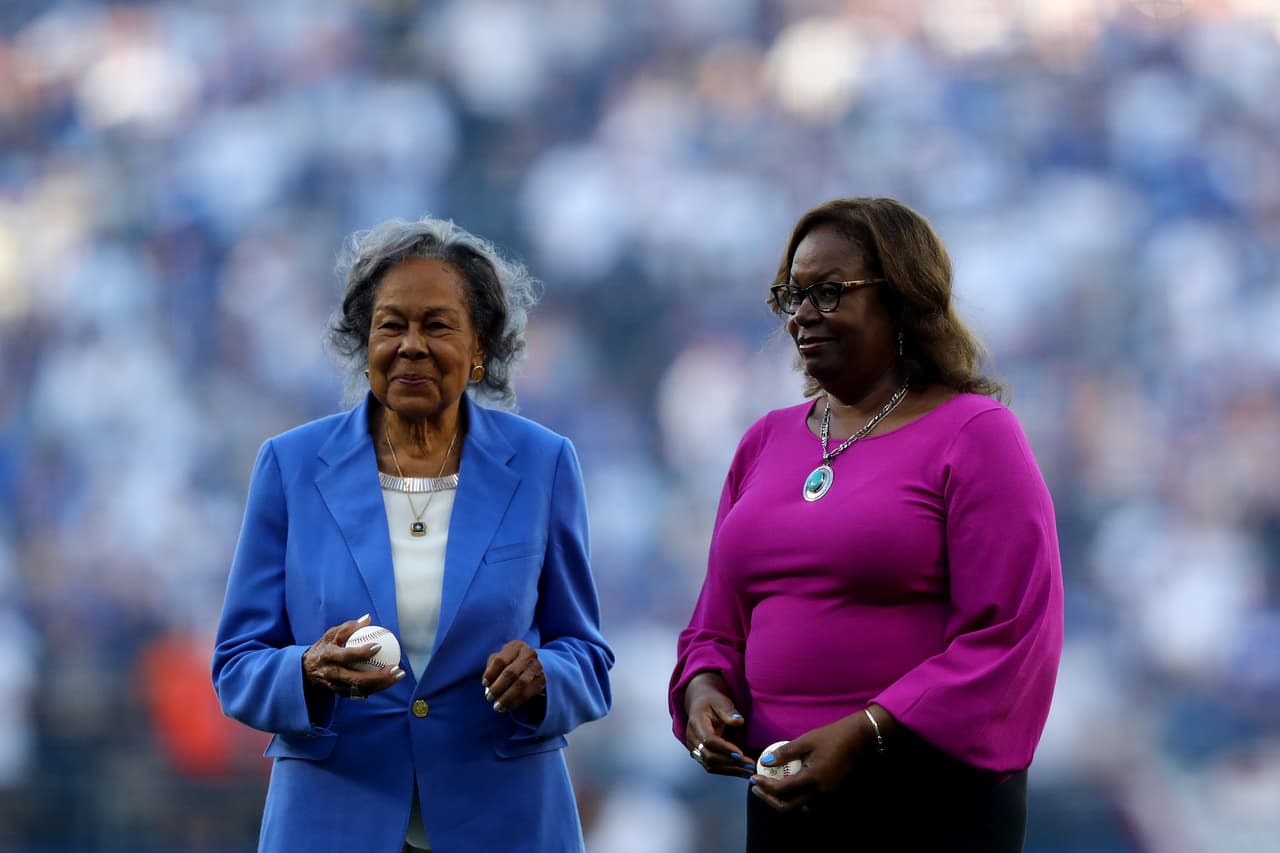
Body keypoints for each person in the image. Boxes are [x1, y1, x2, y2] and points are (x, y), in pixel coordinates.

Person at [668, 197, 1063, 851]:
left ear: (902, 298)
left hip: (926, 802)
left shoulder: (975, 434)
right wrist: (703, 690)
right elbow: (715, 625)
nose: (801, 315)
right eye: (792, 295)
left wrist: (868, 730)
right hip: (785, 797)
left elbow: (1011, 633)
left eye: (829, 292)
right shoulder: (764, 442)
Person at [212, 216, 613, 853]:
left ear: (481, 347)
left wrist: (544, 676)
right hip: (333, 820)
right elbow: (237, 663)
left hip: (506, 821)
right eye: (391, 325)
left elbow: (588, 659)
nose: (411, 345)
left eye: (437, 325)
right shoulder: (290, 466)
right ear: (363, 342)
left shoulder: (543, 464)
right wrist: (308, 672)